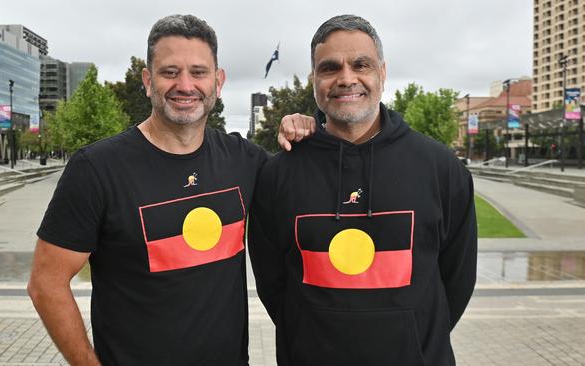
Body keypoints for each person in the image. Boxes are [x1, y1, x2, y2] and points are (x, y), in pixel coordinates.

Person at [28, 14, 314, 365]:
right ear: (148, 81)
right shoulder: (97, 169)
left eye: (198, 72)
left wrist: (304, 129)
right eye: (169, 72)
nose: (185, 84)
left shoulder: (244, 160)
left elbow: (308, 188)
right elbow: (46, 283)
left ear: (218, 81)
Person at [249, 14, 477, 366]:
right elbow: (272, 282)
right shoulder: (278, 175)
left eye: (361, 64)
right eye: (330, 68)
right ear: (314, 80)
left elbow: (457, 280)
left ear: (382, 73)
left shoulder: (440, 169)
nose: (346, 78)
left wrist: (414, 339)